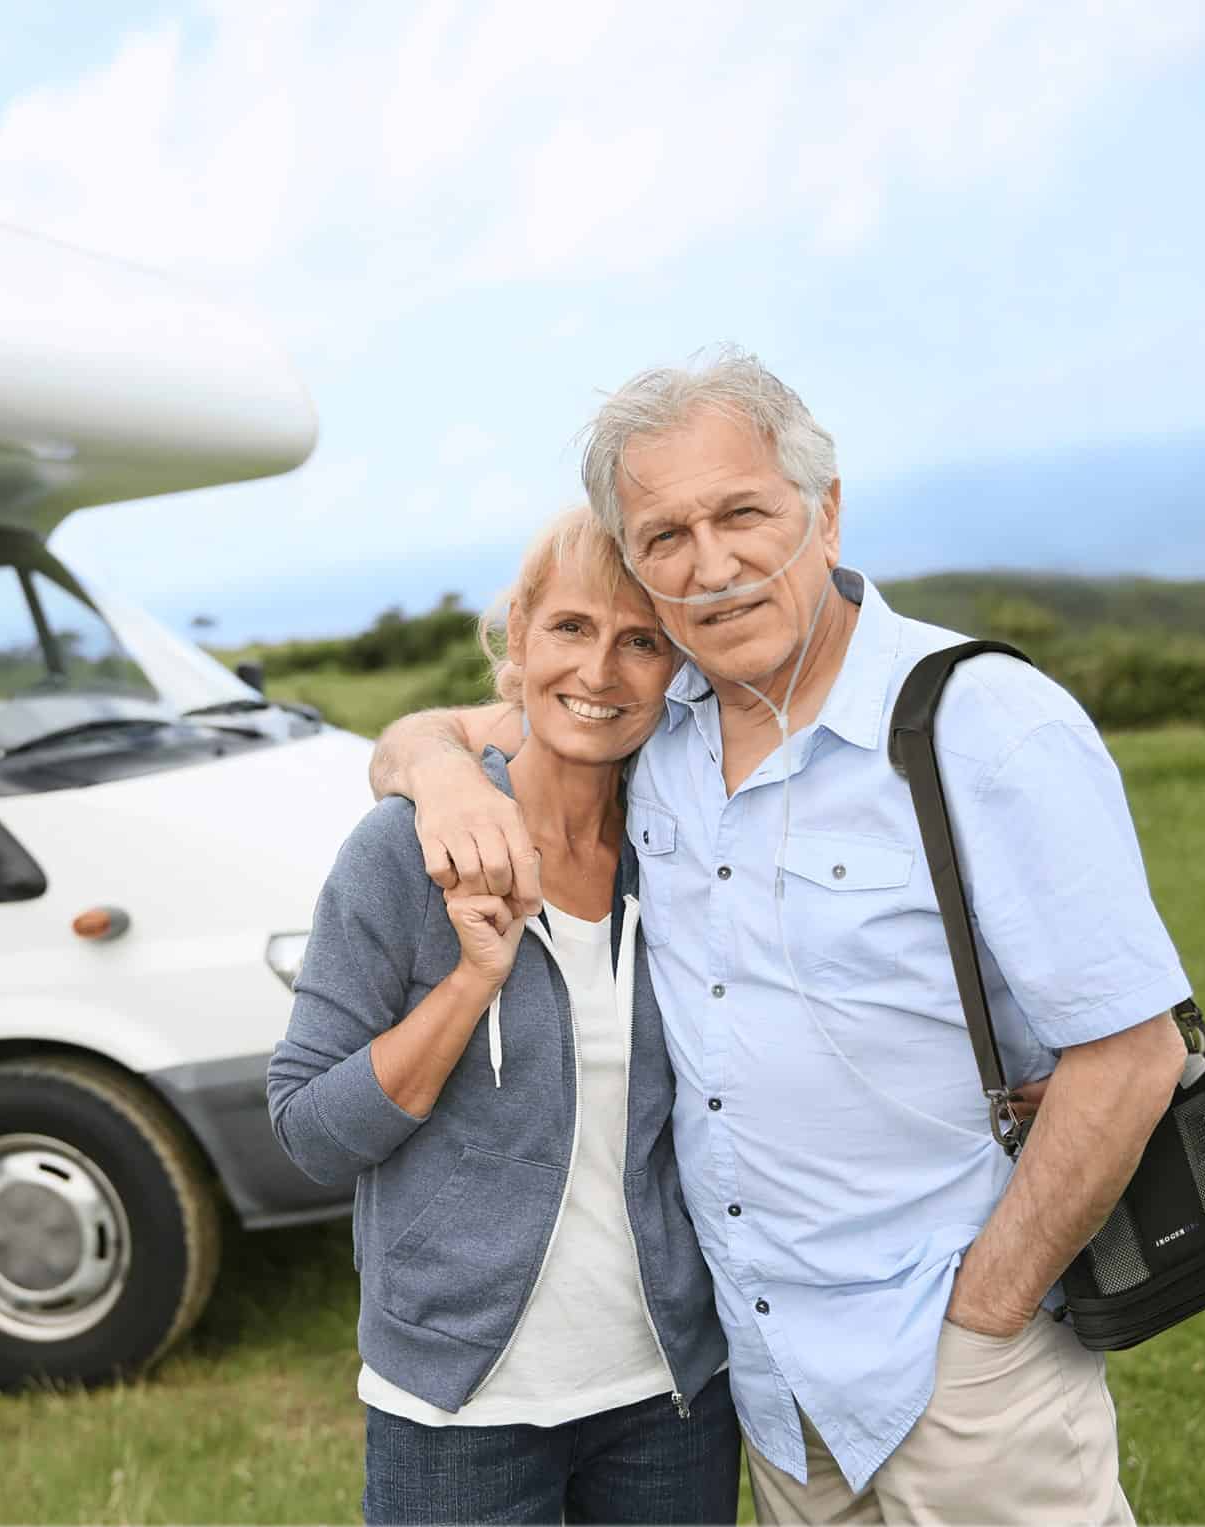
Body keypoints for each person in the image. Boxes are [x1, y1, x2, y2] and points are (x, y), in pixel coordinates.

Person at [370, 348, 1192, 1525]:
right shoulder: (661, 721)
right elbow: (436, 730)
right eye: (663, 537)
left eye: (741, 513)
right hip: (768, 1393)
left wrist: (981, 1321)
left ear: (826, 509)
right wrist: (441, 781)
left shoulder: (983, 723)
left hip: (952, 1372)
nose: (708, 566)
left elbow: (1132, 1055)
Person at [268, 508, 739, 1526]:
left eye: (641, 641)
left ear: (674, 668)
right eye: (570, 628)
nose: (602, 673)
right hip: (456, 1405)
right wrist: (468, 983)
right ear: (516, 640)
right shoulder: (401, 852)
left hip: (668, 1393)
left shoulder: (686, 847)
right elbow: (307, 1129)